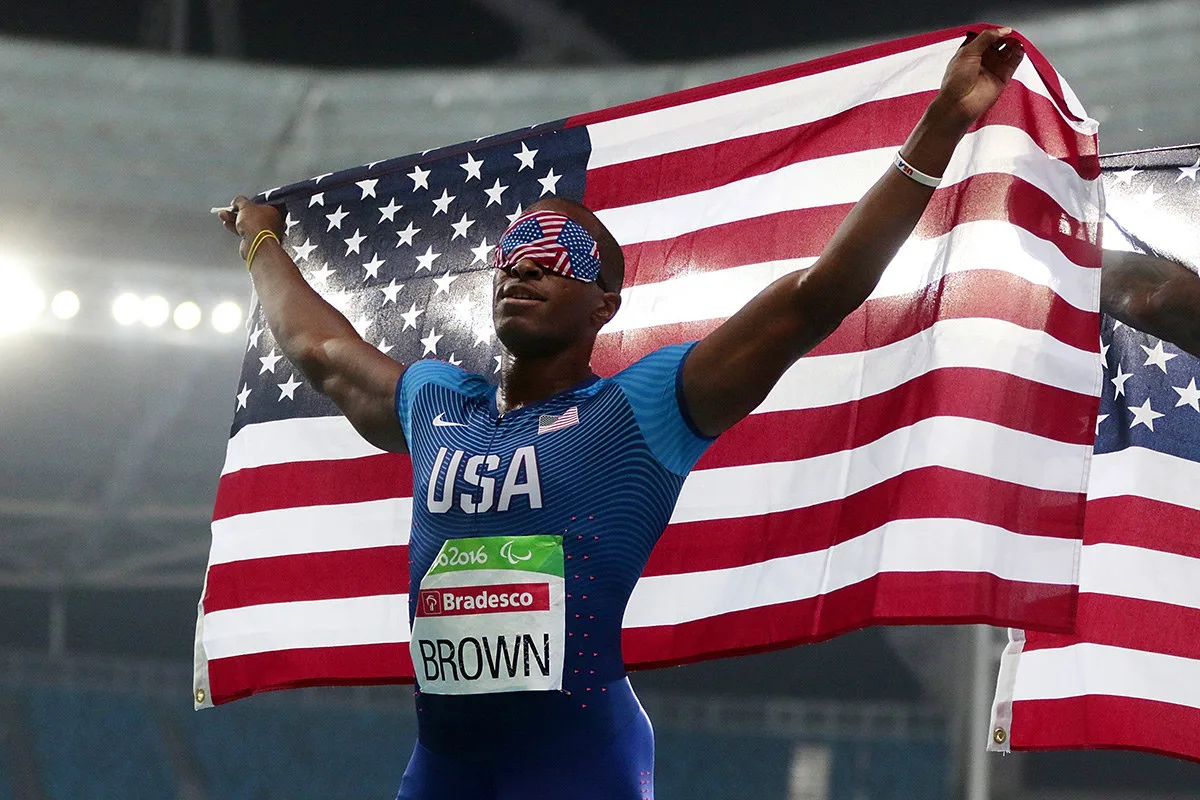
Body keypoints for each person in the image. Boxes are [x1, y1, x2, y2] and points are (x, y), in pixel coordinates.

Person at [218, 28, 1197, 800]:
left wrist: (942, 123)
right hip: (444, 770)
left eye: (557, 255)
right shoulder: (437, 400)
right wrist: (265, 239)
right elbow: (319, 349)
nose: (524, 267)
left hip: (580, 765)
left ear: (607, 302)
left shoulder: (644, 407)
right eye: (513, 255)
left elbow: (817, 293)